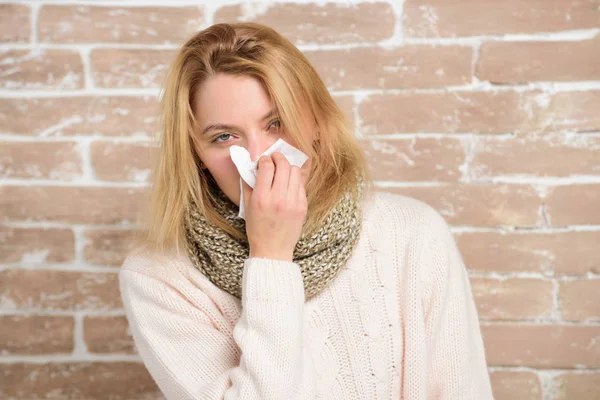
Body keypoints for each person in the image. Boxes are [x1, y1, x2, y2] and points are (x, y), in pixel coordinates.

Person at [119, 22, 494, 399]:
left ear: (315, 121)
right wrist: (271, 258)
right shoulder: (160, 278)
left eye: (276, 124)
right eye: (224, 137)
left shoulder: (411, 234)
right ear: (195, 154)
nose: (256, 158)